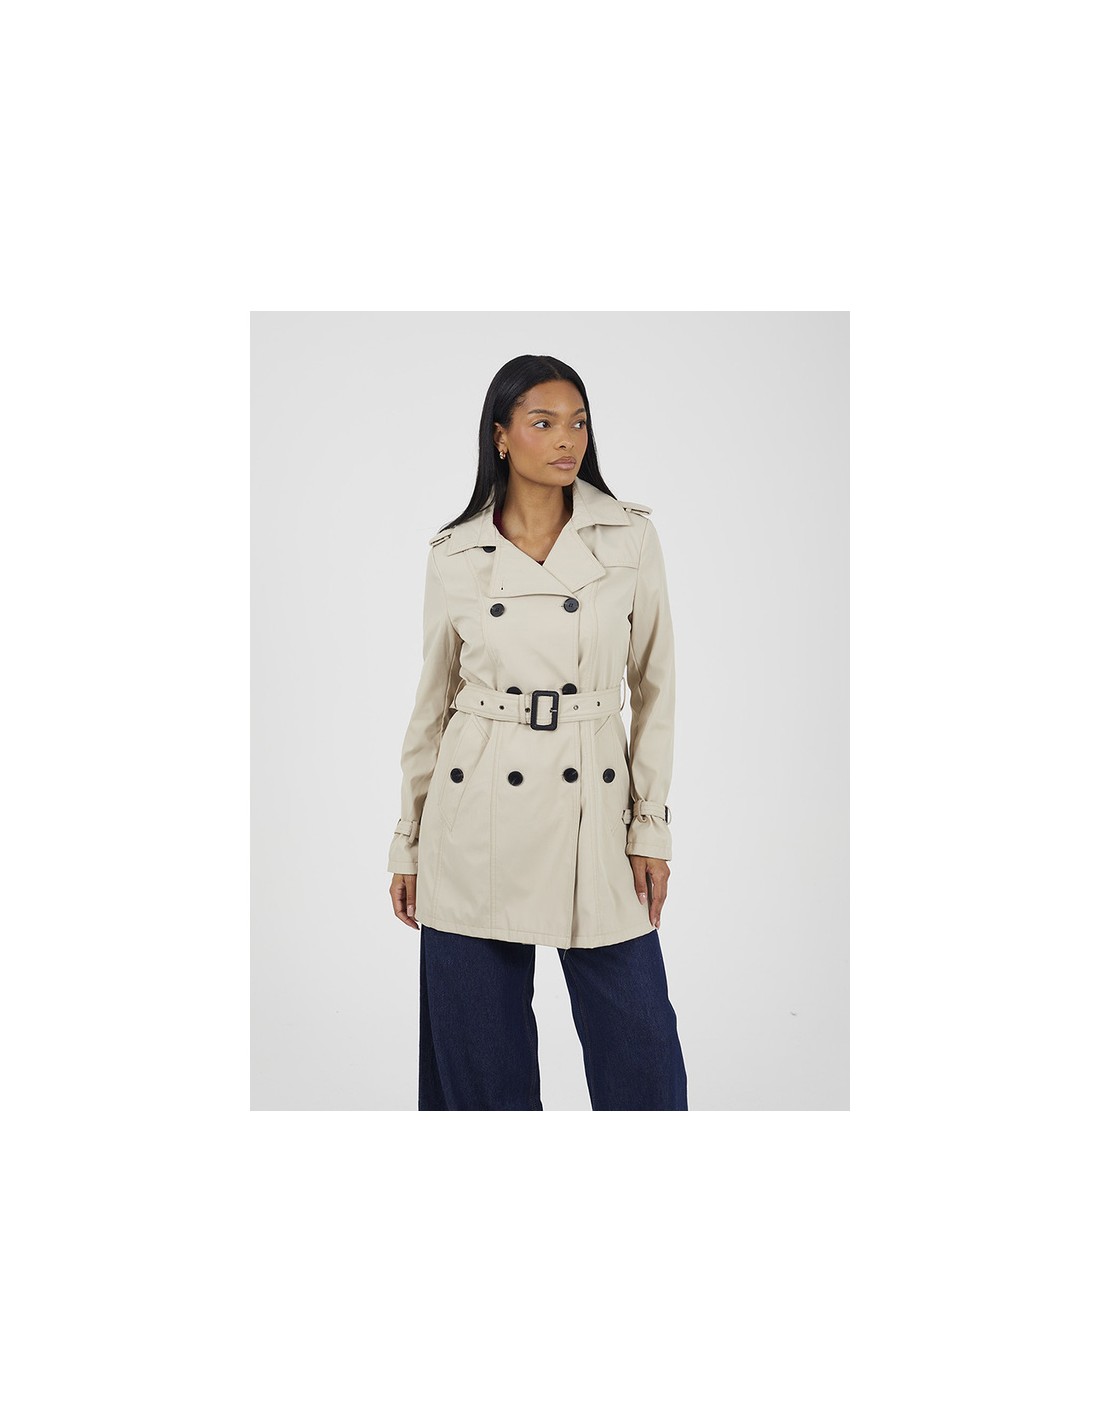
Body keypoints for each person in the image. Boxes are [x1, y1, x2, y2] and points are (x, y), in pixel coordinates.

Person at [387, 354, 688, 1111]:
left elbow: (654, 688)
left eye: (578, 423)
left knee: (642, 1053)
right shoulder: (455, 554)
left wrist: (650, 826)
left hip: (596, 808)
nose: (567, 440)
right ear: (501, 436)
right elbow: (433, 705)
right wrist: (408, 841)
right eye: (544, 422)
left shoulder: (628, 538)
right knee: (481, 1074)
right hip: (473, 819)